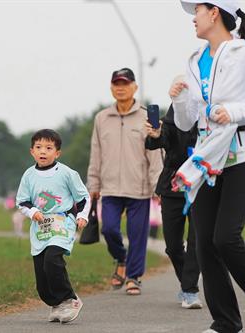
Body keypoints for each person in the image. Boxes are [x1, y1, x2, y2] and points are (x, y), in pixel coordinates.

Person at [171, 1, 245, 332]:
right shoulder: (194, 61)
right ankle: (225, 322)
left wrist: (237, 111)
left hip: (244, 155)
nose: (192, 18)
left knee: (225, 237)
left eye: (196, 10)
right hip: (208, 159)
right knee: (205, 243)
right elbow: (186, 123)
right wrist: (179, 100)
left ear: (214, 13)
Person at [87, 68, 163, 295]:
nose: (120, 87)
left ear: (134, 87)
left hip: (139, 188)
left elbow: (154, 154)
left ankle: (133, 276)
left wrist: (157, 186)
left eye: (125, 83)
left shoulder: (146, 118)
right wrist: (93, 185)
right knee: (109, 229)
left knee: (138, 235)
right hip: (109, 187)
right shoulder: (102, 118)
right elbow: (96, 153)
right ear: (111, 88)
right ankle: (121, 259)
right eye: (116, 83)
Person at [16, 129, 90, 323]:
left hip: (63, 223)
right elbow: (22, 202)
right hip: (40, 228)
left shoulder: (67, 173)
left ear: (57, 153)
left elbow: (83, 198)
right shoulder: (29, 175)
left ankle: (70, 299)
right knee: (42, 276)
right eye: (39, 147)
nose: (43, 151)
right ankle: (56, 303)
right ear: (32, 151)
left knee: (52, 260)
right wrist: (33, 212)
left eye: (49, 148)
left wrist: (82, 216)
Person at [145, 104, 202, 309]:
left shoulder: (206, 118)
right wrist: (155, 134)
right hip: (172, 187)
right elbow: (158, 141)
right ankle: (188, 284)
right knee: (173, 246)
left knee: (196, 242)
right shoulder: (168, 121)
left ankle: (189, 291)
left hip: (200, 186)